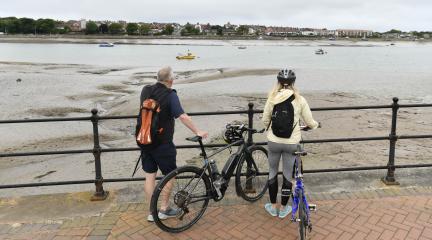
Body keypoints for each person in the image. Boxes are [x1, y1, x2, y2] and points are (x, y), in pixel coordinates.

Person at [138, 66, 208, 222]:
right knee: (170, 175)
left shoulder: (146, 90)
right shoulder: (171, 95)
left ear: (157, 78)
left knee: (150, 176)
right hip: (162, 144)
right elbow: (182, 116)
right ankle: (164, 208)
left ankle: (152, 212)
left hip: (145, 140)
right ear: (171, 80)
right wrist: (197, 131)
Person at [262, 69, 319, 218]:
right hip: (291, 142)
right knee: (287, 175)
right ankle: (284, 208)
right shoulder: (300, 99)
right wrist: (315, 125)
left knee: (272, 172)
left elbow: (265, 120)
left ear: (278, 82)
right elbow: (309, 121)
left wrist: (270, 128)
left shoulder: (272, 97)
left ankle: (273, 207)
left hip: (273, 141)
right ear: (293, 83)